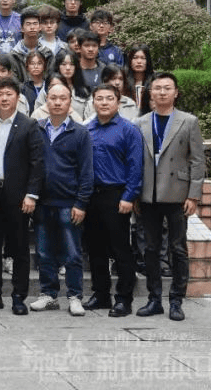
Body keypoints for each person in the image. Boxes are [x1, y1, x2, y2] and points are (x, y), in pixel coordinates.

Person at [134, 73, 205, 321]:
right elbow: (135, 161)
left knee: (178, 249)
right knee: (150, 249)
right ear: (150, 93)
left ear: (176, 92)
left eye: (167, 88)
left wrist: (193, 195)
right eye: (157, 88)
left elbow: (197, 161)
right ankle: (154, 299)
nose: (162, 92)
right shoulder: (140, 122)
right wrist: (135, 194)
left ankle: (176, 300)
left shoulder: (189, 121)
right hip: (148, 194)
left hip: (178, 193)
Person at [0, 77, 44, 315]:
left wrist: (31, 195)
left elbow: (37, 163)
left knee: (19, 249)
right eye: (0, 94)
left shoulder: (29, 124)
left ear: (18, 97)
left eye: (9, 94)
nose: (4, 98)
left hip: (18, 196)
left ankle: (18, 297)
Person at [30, 83, 93, 316]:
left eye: (62, 98)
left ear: (70, 102)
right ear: (46, 101)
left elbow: (86, 172)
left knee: (72, 254)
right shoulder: (36, 129)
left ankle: (75, 296)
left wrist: (81, 203)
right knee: (44, 252)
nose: (57, 102)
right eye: (53, 98)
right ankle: (48, 295)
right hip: (42, 202)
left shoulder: (80, 133)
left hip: (69, 203)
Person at [84, 84, 143, 318]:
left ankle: (124, 298)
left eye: (109, 98)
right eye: (99, 98)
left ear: (118, 102)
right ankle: (101, 294)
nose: (104, 102)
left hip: (116, 195)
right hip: (91, 195)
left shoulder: (129, 130)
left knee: (120, 249)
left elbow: (136, 166)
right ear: (93, 102)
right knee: (95, 248)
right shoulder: (87, 129)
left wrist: (129, 196)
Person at [126, 44, 154, 112]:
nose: (139, 61)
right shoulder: (124, 81)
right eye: (135, 58)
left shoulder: (154, 81)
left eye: (143, 58)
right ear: (130, 60)